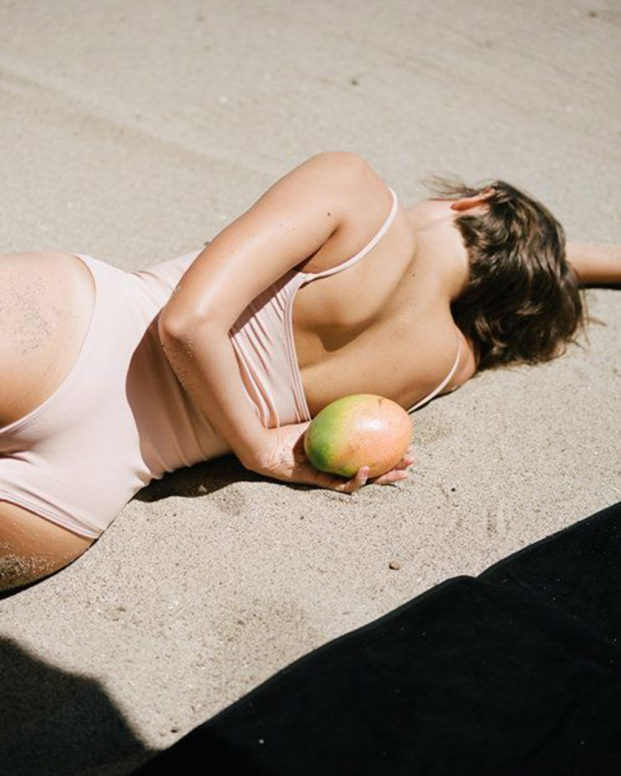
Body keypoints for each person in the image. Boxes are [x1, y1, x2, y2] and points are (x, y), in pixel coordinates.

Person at [0, 151, 618, 593]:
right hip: (78, 491)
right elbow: (552, 268)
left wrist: (258, 450)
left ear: (473, 200)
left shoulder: (357, 194)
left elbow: (188, 325)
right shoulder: (448, 364)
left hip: (68, 334)